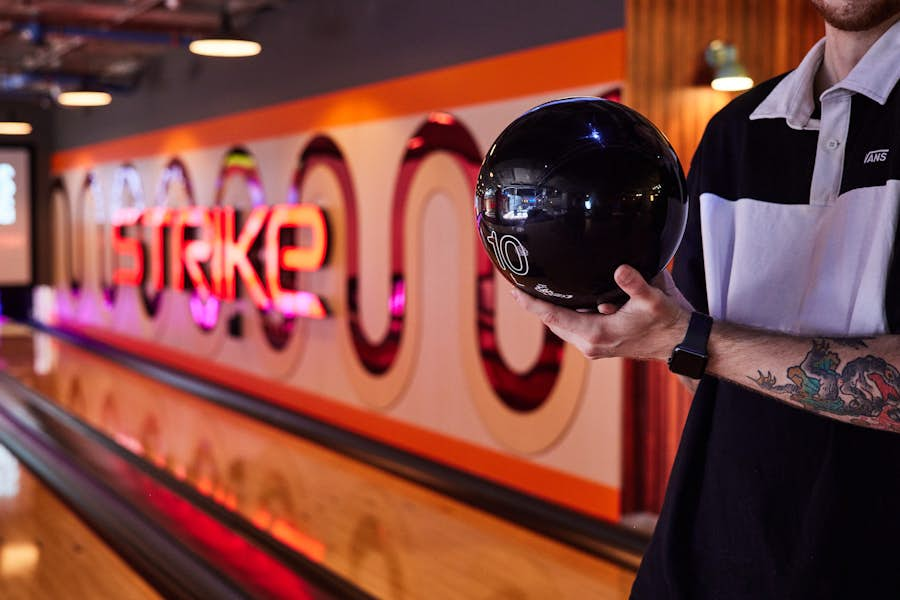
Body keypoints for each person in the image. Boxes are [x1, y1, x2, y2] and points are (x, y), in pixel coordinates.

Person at [512, 1, 900, 598]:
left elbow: (700, 344)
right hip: (705, 563)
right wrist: (663, 325)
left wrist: (689, 338)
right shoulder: (734, 131)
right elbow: (706, 367)